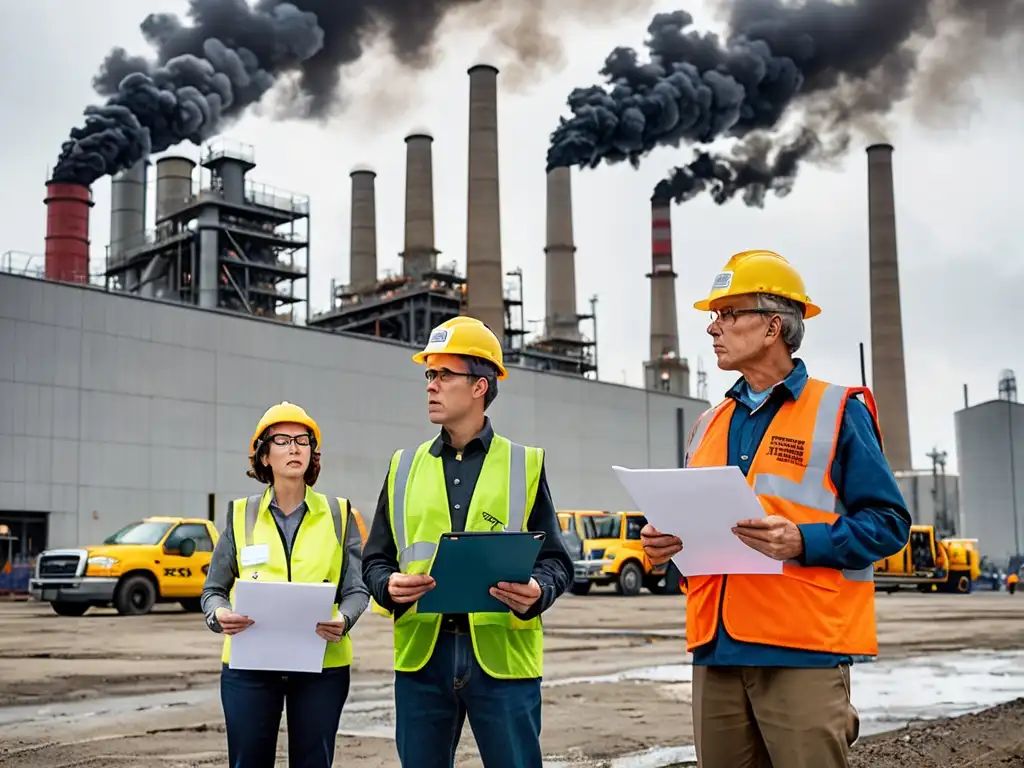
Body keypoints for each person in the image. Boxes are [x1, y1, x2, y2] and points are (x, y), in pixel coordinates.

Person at [641, 250, 911, 768]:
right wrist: (665, 546)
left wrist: (803, 540)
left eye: (727, 314)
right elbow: (701, 533)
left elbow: (889, 524)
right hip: (716, 649)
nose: (713, 328)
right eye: (712, 317)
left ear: (771, 326)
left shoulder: (837, 412)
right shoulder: (708, 424)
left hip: (801, 652)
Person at [361, 316, 573, 768]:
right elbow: (375, 558)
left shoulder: (524, 464)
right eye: (429, 375)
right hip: (423, 659)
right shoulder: (404, 467)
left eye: (443, 375)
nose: (431, 386)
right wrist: (388, 585)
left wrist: (537, 593)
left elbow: (556, 561)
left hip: (502, 661)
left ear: (480, 385)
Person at [201, 401, 370, 768]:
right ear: (263, 456)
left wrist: (344, 619)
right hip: (250, 664)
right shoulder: (240, 514)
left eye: (302, 440)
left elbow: (356, 590)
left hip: (322, 664)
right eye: (282, 440)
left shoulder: (340, 514)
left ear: (312, 453)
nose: (294, 448)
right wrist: (219, 615)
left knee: (314, 762)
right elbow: (213, 590)